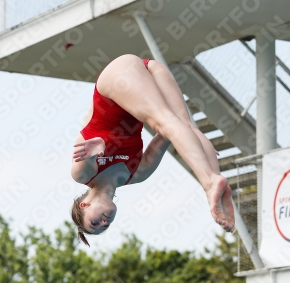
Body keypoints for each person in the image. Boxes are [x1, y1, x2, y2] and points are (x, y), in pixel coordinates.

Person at [70, 54, 234, 247]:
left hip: (116, 78)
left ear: (84, 205)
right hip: (151, 71)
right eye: (104, 226)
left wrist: (97, 147)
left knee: (165, 121)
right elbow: (168, 136)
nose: (104, 222)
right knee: (185, 126)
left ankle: (210, 184)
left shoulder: (82, 175)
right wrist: (195, 144)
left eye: (95, 222)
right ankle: (217, 186)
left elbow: (87, 156)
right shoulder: (138, 173)